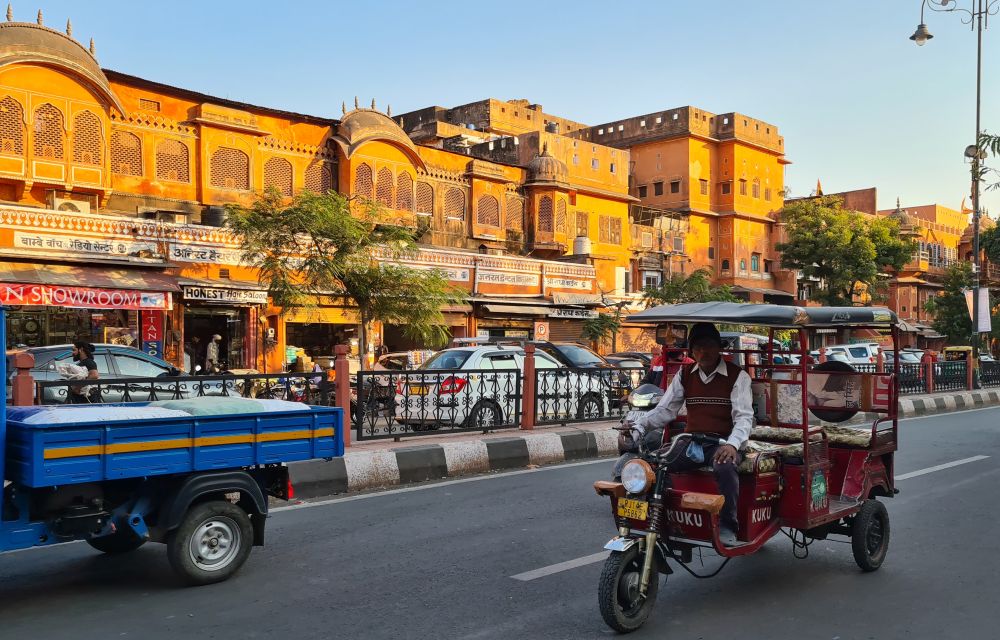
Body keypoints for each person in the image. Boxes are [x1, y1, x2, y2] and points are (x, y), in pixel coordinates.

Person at [630, 322, 753, 546]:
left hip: (722, 442)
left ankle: (728, 525)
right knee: (656, 465)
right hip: (692, 442)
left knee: (725, 466)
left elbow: (744, 417)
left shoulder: (738, 376)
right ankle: (667, 519)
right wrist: (638, 427)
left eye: (708, 346)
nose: (703, 352)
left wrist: (733, 445)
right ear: (691, 350)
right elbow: (665, 410)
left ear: (719, 348)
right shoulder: (685, 374)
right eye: (697, 347)